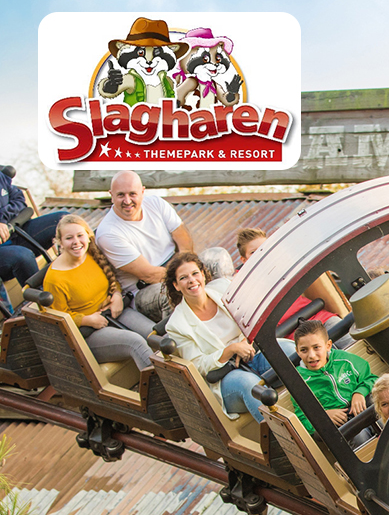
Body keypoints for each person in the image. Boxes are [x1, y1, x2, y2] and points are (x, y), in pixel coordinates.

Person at [164, 253, 291, 423]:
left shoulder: (223, 287)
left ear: (203, 274)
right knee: (251, 385)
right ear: (176, 285)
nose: (191, 280)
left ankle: (325, 405)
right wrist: (231, 349)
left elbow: (253, 317)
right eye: (183, 278)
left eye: (195, 274)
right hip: (226, 376)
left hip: (253, 351)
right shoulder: (177, 325)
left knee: (290, 351)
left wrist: (244, 342)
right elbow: (199, 365)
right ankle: (283, 440)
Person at [95, 170, 228, 323]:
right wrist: (186, 277)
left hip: (180, 267)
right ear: (111, 195)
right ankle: (186, 339)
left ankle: (232, 316)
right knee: (168, 294)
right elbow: (149, 274)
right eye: (120, 195)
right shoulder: (108, 232)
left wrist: (190, 273)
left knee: (218, 257)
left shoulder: (156, 203)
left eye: (132, 194)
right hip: (145, 289)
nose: (127, 200)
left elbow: (185, 244)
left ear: (142, 191)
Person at [43, 215, 154, 371]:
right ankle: (162, 392)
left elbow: (111, 279)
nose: (76, 242)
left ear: (88, 237)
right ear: (60, 243)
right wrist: (86, 320)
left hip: (113, 312)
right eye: (69, 238)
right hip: (88, 333)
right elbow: (56, 318)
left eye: (80, 235)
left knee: (155, 335)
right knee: (136, 342)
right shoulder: (54, 279)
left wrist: (116, 294)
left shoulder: (92, 255)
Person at [237, 227, 350, 347]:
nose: (261, 255)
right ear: (244, 260)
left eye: (265, 249)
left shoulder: (283, 267)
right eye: (254, 252)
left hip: (319, 318)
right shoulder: (242, 287)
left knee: (352, 341)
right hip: (293, 336)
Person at [292, 319, 377, 433]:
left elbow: (373, 379)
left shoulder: (344, 360)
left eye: (316, 347)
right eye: (304, 350)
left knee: (379, 404)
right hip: (340, 424)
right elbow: (303, 419)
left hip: (363, 407)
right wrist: (323, 417)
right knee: (357, 435)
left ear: (328, 345)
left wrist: (360, 392)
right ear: (297, 351)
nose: (311, 355)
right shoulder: (298, 381)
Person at [0, 167, 67, 292]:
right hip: (6, 253)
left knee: (64, 220)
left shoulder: (1, 177)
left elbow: (19, 201)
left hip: (14, 233)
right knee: (22, 255)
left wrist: (2, 220)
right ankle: (42, 302)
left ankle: (73, 274)